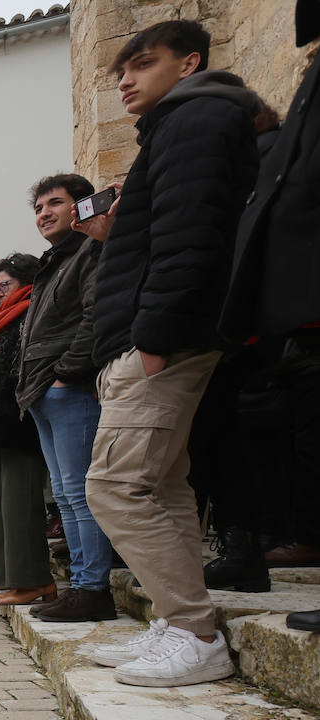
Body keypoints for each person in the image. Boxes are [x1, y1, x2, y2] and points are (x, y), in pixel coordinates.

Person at [74, 20, 260, 686]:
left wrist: (154, 338)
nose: (125, 78)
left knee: (115, 486)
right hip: (159, 333)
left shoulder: (195, 118)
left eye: (141, 64)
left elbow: (192, 237)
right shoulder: (179, 126)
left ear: (189, 63)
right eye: (120, 68)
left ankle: (193, 631)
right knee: (164, 487)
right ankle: (176, 623)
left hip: (160, 338)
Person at [219, 0, 320, 633]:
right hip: (274, 327)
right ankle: (265, 543)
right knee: (273, 445)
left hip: (287, 319)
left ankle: (282, 539)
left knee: (292, 446)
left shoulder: (265, 150)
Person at [16, 173, 117, 622]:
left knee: (80, 493)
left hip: (66, 387)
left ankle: (92, 589)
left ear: (81, 206)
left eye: (54, 203)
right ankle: (80, 584)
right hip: (42, 391)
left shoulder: (90, 251)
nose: (44, 214)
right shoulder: (53, 261)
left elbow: (97, 315)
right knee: (65, 493)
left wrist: (67, 372)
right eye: (38, 208)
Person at [0, 255, 57, 608]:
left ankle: (34, 580)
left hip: (19, 423)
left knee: (21, 505)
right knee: (4, 509)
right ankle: (11, 577)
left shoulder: (33, 310)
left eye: (4, 286)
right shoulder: (3, 321)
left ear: (26, 282)